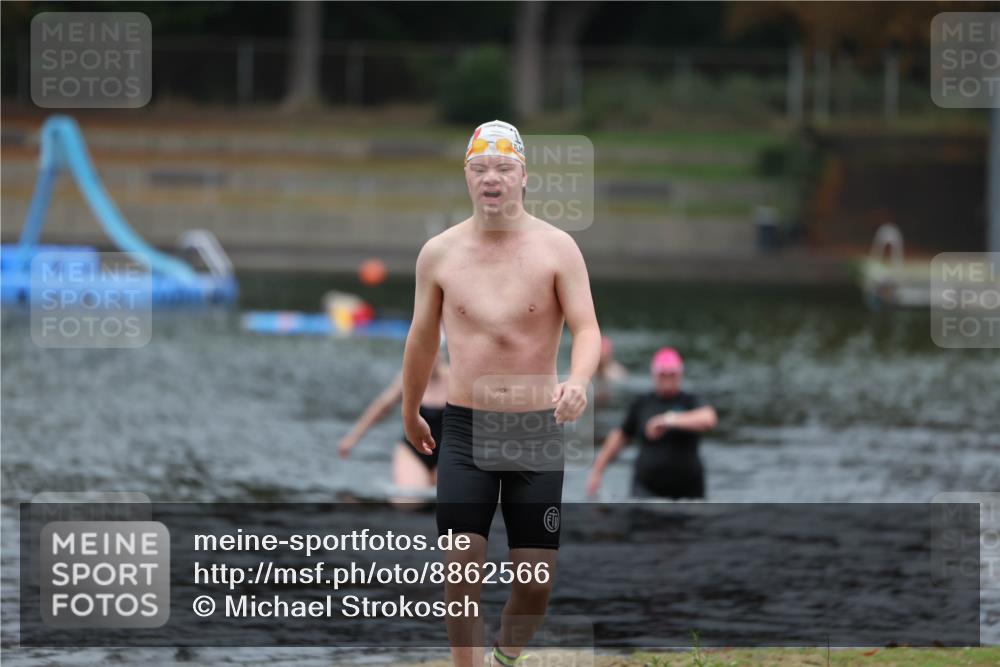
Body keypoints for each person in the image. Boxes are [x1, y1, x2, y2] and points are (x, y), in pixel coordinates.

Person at [401, 120, 601, 667]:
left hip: (534, 429)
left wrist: (578, 382)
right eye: (480, 168)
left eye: (503, 168)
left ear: (523, 176)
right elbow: (421, 339)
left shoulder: (558, 249)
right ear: (466, 176)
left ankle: (505, 656)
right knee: (460, 569)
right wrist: (411, 409)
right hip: (464, 430)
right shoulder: (438, 254)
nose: (492, 179)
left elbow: (587, 328)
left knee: (535, 582)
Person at [586, 347, 717, 500]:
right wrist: (597, 471)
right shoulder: (642, 403)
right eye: (663, 374)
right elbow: (620, 436)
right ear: (654, 374)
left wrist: (669, 420)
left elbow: (708, 419)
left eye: (672, 374)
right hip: (646, 490)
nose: (667, 379)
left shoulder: (690, 400)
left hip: (687, 491)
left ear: (680, 374)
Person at [337, 354, 448, 505]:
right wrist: (352, 439)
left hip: (447, 452)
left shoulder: (456, 379)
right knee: (409, 502)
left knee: (447, 501)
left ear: (439, 355)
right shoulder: (409, 377)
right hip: (414, 451)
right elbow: (382, 407)